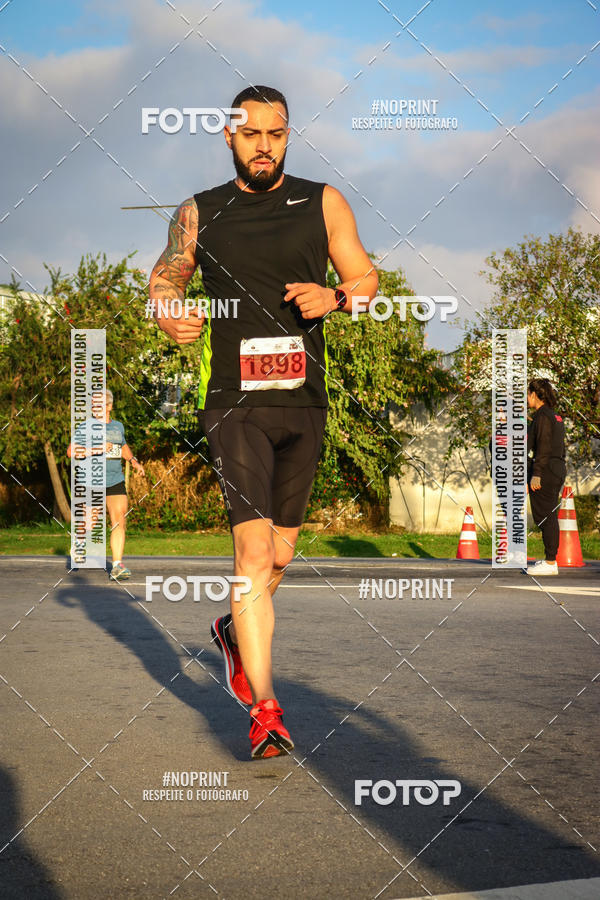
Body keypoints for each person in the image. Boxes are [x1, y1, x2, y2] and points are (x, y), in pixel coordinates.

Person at [149, 85, 378, 758]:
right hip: (233, 401)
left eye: (276, 135)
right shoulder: (200, 211)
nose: (264, 147)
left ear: (287, 136)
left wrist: (335, 297)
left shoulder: (323, 201)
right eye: (251, 135)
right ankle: (266, 710)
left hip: (304, 401)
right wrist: (167, 310)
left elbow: (367, 282)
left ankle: (231, 630)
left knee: (279, 555)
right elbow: (165, 279)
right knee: (251, 556)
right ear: (229, 136)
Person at [67, 389, 146, 581]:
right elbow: (71, 451)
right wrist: (96, 449)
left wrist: (134, 462)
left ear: (109, 406)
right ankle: (79, 541)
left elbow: (123, 446)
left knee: (119, 518)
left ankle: (117, 566)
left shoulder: (118, 426)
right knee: (90, 522)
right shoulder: (86, 426)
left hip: (114, 480)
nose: (95, 408)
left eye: (99, 404)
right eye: (93, 404)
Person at [526, 378, 566, 576]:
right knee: (548, 514)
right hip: (556, 468)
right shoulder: (554, 416)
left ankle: (550, 562)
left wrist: (537, 474)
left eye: (527, 394)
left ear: (534, 395)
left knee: (545, 516)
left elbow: (543, 447)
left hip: (546, 471)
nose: (526, 398)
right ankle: (550, 559)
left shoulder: (542, 417)